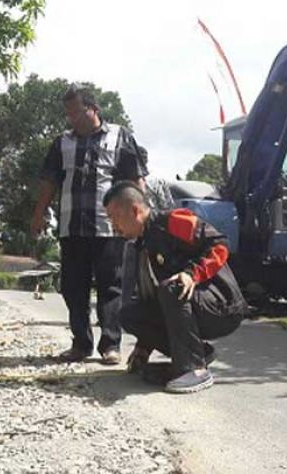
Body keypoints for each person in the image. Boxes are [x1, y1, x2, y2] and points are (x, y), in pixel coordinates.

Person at [30, 84, 148, 364]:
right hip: (72, 227)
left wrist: (141, 216)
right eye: (68, 114)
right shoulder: (62, 142)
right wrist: (38, 215)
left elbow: (135, 179)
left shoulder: (120, 137)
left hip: (110, 229)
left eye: (76, 112)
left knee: (111, 287)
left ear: (93, 109)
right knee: (73, 287)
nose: (71, 118)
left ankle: (111, 345)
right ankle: (81, 344)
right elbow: (49, 182)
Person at [104, 181, 248, 393]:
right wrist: (143, 348)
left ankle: (195, 370)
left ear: (135, 211)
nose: (113, 226)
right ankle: (200, 353)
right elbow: (151, 301)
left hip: (223, 306)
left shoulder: (171, 221)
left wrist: (192, 274)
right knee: (129, 314)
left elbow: (219, 244)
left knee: (173, 287)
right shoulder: (142, 245)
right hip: (189, 304)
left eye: (114, 218)